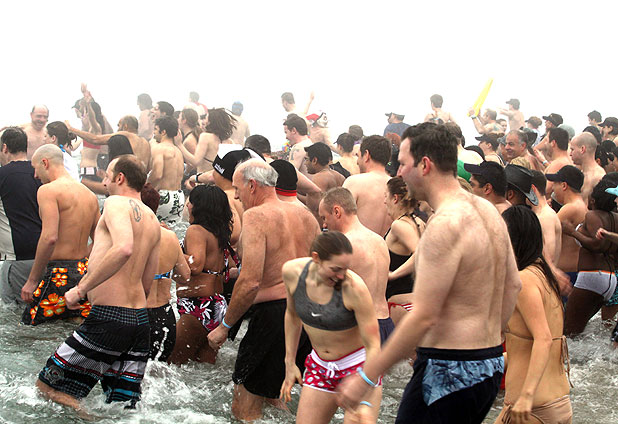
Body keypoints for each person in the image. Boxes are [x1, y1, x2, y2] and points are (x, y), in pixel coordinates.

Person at [337, 124, 521, 424]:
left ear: (425, 165)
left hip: (448, 368)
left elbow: (423, 316)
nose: (398, 172)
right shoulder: (487, 210)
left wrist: (367, 376)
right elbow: (513, 285)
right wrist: (485, 340)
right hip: (488, 364)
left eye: (403, 163)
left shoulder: (444, 223)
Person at [35, 154, 160, 410]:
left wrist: (81, 289)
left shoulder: (115, 203)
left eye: (107, 175)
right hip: (139, 321)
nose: (104, 182)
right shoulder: (152, 219)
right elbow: (147, 283)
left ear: (120, 178)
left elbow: (123, 248)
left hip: (109, 318)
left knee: (48, 388)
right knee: (121, 406)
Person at [206, 159, 320, 421]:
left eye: (237, 189)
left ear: (252, 185)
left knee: (243, 407)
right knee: (275, 397)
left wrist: (224, 326)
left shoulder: (256, 216)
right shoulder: (306, 215)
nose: (236, 196)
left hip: (274, 315)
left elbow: (251, 281)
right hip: (306, 315)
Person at [280, 231, 382, 423]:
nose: (341, 275)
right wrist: (289, 363)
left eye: (345, 269)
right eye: (336, 269)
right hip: (320, 367)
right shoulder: (292, 273)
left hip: (359, 367)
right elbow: (292, 316)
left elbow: (374, 345)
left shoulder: (355, 289)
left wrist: (364, 380)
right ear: (316, 258)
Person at [496, 206, 572, 424]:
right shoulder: (544, 275)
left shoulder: (525, 280)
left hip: (530, 408)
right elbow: (527, 347)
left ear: (514, 240)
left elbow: (543, 339)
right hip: (556, 405)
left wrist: (526, 396)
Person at [21, 145, 99, 325]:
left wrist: (32, 280)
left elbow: (49, 238)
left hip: (57, 274)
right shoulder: (90, 195)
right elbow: (101, 240)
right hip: (83, 274)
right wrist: (80, 260)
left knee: (30, 329)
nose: (35, 175)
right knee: (74, 329)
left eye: (35, 169)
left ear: (45, 163)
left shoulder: (48, 191)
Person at [169, 184, 236, 364]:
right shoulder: (220, 234)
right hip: (217, 306)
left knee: (172, 364)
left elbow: (195, 265)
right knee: (203, 368)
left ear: (199, 207)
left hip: (198, 307)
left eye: (191, 202)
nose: (187, 205)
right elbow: (230, 267)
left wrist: (170, 243)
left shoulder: (196, 230)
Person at [319, 188, 392, 344]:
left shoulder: (342, 245)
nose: (324, 224)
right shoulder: (379, 241)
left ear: (337, 211)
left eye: (324, 217)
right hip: (385, 323)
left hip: (358, 329)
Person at [561, 179, 618, 335]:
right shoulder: (615, 217)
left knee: (568, 331)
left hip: (591, 277)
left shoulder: (592, 215)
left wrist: (572, 232)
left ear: (593, 199)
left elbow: (597, 245)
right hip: (610, 279)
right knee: (580, 330)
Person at [140, 184, 190, 361]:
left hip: (139, 314)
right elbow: (185, 276)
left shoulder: (131, 235)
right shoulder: (170, 236)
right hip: (165, 316)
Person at [0, 127, 42, 304]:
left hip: (17, 258)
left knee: (15, 312)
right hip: (46, 255)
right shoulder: (40, 173)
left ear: (4, 148)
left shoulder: (2, 175)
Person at [343, 135, 393, 236]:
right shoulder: (396, 186)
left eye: (358, 156)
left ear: (366, 155)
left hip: (358, 244)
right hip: (386, 245)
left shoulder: (354, 182)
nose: (357, 162)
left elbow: (339, 220)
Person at [546, 166, 587, 287]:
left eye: (555, 184)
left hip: (567, 273)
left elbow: (545, 228)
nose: (553, 189)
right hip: (573, 271)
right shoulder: (580, 205)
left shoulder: (571, 208)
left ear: (564, 185)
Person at [175, 108, 236, 173]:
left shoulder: (205, 137)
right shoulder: (230, 142)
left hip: (203, 176)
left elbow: (196, 161)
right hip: (218, 178)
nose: (204, 121)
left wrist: (179, 145)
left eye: (206, 118)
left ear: (210, 121)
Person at [149, 116, 185, 225]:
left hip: (164, 196)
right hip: (179, 196)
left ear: (163, 132)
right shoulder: (178, 151)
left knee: (153, 228)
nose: (154, 133)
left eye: (155, 129)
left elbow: (157, 174)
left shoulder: (159, 148)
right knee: (173, 231)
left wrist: (145, 187)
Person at [530, 171, 563, 266]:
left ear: (532, 189)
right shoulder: (541, 214)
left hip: (543, 273)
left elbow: (549, 257)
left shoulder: (546, 216)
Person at [570, 132, 606, 202]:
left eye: (572, 149)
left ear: (582, 149)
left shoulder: (597, 176)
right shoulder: (581, 172)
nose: (570, 154)